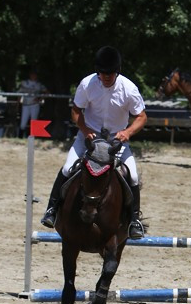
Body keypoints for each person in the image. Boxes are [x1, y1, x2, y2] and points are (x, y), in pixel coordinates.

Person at [40, 46, 147, 238]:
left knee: (133, 177)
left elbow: (142, 117)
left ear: (117, 71)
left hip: (116, 142)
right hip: (88, 138)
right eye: (103, 72)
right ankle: (52, 209)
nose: (106, 76)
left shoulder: (129, 89)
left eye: (110, 73)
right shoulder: (87, 84)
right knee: (67, 168)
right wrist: (85, 129)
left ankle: (134, 220)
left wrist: (128, 132)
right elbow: (76, 111)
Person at [18, 66, 49, 138]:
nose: (33, 76)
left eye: (35, 74)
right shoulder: (24, 83)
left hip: (34, 105)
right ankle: (20, 137)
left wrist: (39, 99)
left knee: (34, 122)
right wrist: (18, 103)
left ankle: (32, 137)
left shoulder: (39, 85)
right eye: (32, 74)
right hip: (25, 104)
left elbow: (47, 92)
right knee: (23, 122)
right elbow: (19, 93)